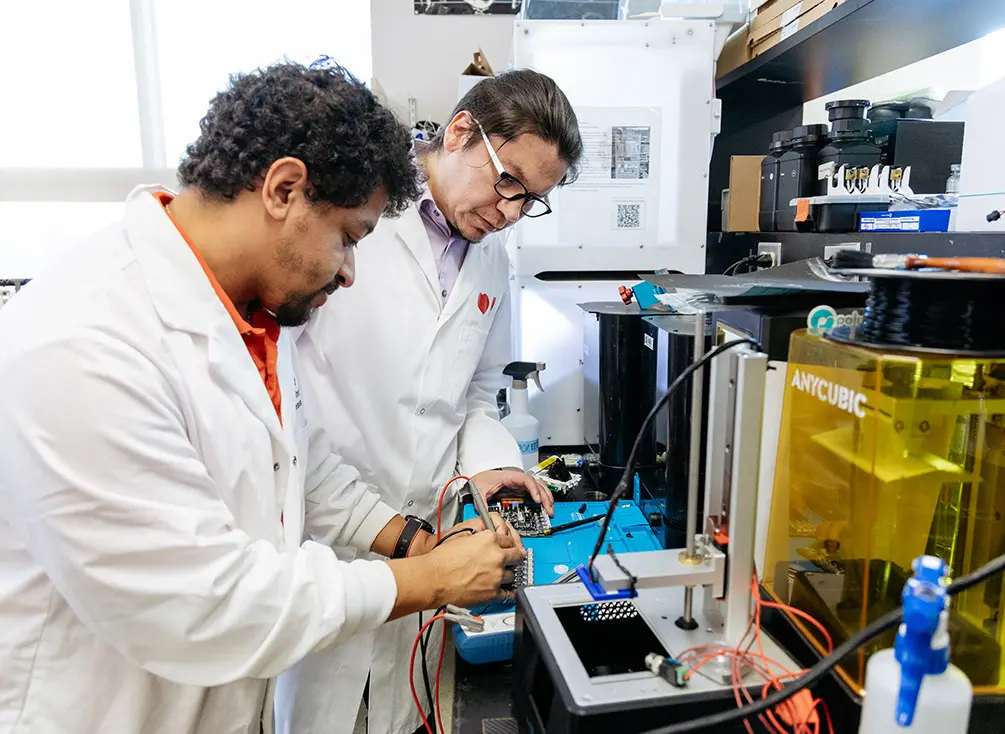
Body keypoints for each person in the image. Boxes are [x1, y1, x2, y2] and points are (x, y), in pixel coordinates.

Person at [0, 61, 525, 734]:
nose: (349, 271)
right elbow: (202, 604)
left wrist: (414, 542)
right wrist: (428, 582)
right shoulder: (82, 341)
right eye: (348, 236)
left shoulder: (250, 319)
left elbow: (302, 469)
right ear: (284, 188)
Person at [278, 69, 584, 734]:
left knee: (405, 714)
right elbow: (287, 385)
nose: (509, 212)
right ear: (460, 131)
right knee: (316, 717)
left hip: (432, 538)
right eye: (508, 183)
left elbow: (477, 391)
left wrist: (489, 465)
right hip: (324, 533)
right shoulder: (355, 219)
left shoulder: (490, 260)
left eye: (530, 200)